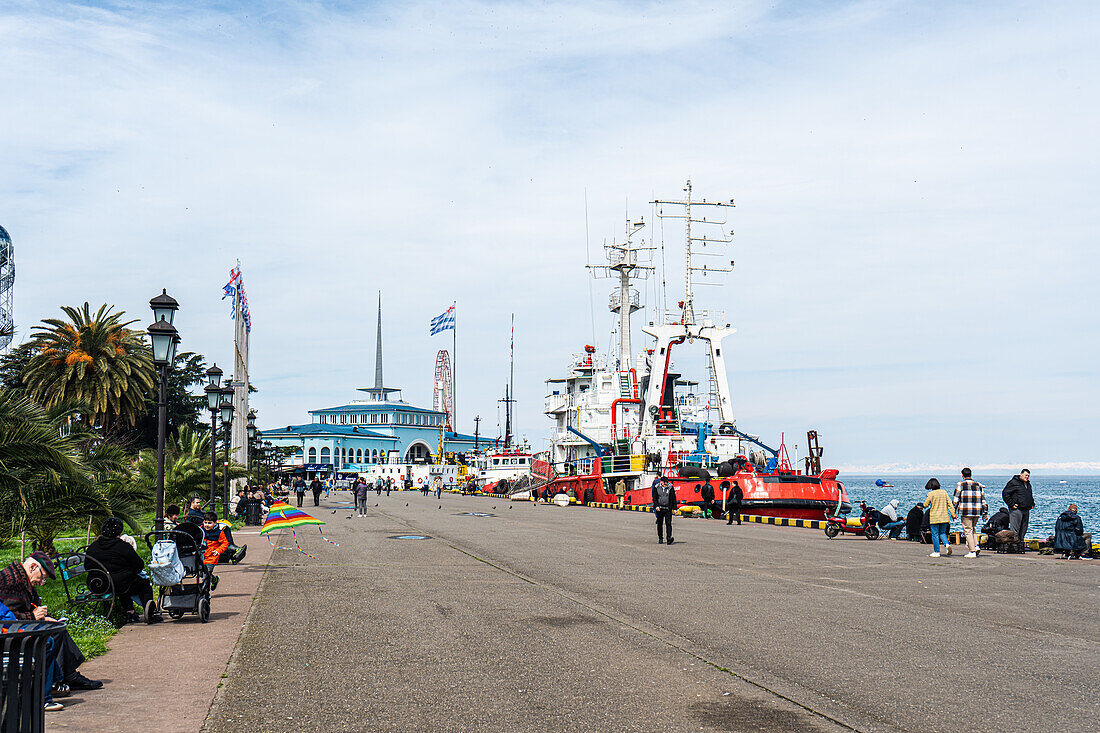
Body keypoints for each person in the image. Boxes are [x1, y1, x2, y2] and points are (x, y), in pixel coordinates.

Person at [0, 552, 103, 692]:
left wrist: (45, 617)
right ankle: (59, 680)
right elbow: (8, 619)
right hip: (11, 635)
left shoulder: (23, 578)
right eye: (42, 577)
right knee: (51, 636)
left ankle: (67, 676)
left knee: (57, 628)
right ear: (32, 567)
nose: (41, 583)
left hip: (18, 629)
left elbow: (30, 606)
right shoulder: (11, 582)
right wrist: (33, 617)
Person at [85, 517, 161, 623]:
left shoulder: (93, 546)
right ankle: (150, 612)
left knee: (122, 581)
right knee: (142, 584)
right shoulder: (123, 546)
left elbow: (87, 566)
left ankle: (130, 613)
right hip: (120, 585)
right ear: (119, 532)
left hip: (98, 585)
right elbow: (139, 565)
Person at [951, 468, 988, 558]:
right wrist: (985, 512)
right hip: (977, 511)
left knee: (968, 530)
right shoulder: (978, 485)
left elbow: (956, 500)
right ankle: (976, 545)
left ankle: (972, 551)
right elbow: (983, 500)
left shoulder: (960, 485)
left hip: (965, 510)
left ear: (962, 475)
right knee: (973, 528)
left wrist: (953, 512)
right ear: (971, 474)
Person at [922, 478, 956, 557]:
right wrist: (953, 514)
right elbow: (950, 504)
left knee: (935, 534)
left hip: (935, 518)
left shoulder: (931, 494)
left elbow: (926, 504)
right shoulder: (944, 492)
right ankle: (947, 545)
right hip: (944, 517)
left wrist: (924, 505)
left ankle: (937, 551)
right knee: (942, 533)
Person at [1002, 469, 1034, 543]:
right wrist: (1011, 504)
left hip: (1026, 509)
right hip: (1017, 509)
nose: (1027, 477)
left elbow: (1029, 495)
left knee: (1024, 528)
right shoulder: (1013, 482)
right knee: (1015, 528)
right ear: (1021, 474)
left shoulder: (1028, 484)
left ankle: (1021, 543)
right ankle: (1014, 544)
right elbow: (1005, 493)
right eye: (1026, 475)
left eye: (1028, 476)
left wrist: (1032, 503)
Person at [651, 476, 677, 545]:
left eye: (666, 482)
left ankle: (668, 539)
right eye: (664, 483)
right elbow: (655, 498)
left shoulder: (671, 488)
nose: (666, 484)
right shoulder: (657, 488)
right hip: (660, 508)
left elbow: (673, 498)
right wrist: (656, 506)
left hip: (668, 508)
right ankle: (660, 538)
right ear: (661, 482)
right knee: (660, 524)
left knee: (668, 524)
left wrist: (674, 508)